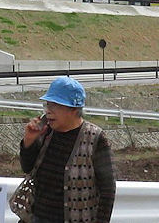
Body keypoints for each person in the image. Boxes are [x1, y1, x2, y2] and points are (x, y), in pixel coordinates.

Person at [20, 76, 116, 223]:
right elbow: (28, 168)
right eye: (47, 105)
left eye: (55, 105)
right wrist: (29, 141)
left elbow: (107, 189)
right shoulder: (46, 132)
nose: (48, 111)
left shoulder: (95, 138)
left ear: (74, 109)